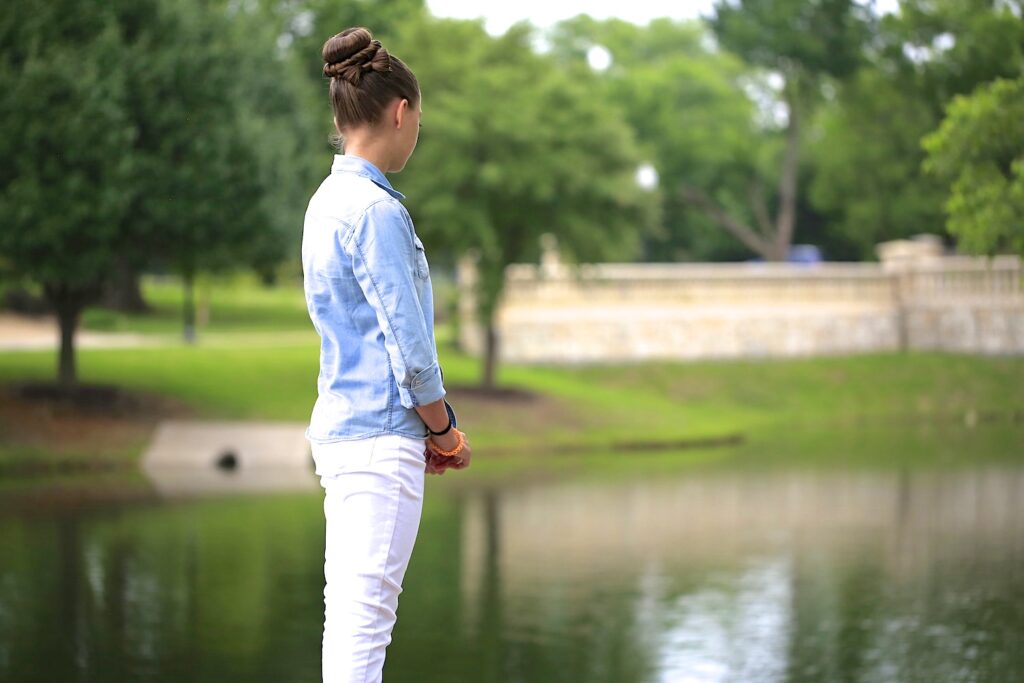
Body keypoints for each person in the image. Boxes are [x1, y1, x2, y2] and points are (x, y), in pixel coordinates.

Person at [301, 26, 473, 683]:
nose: (416, 132)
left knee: (347, 625)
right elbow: (411, 350)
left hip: (343, 435)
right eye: (418, 119)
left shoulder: (324, 203)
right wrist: (444, 429)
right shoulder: (376, 211)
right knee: (363, 633)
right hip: (379, 441)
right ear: (400, 111)